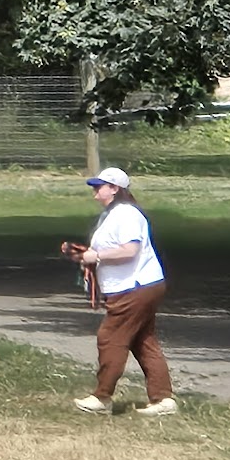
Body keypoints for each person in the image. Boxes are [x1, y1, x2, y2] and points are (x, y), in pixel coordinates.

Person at [65, 167, 178, 418]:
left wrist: (97, 256)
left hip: (133, 287)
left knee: (110, 338)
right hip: (138, 286)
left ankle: (102, 397)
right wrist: (85, 256)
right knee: (143, 340)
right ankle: (163, 399)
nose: (95, 194)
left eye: (99, 187)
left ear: (115, 189)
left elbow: (129, 250)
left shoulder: (126, 214)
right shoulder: (114, 214)